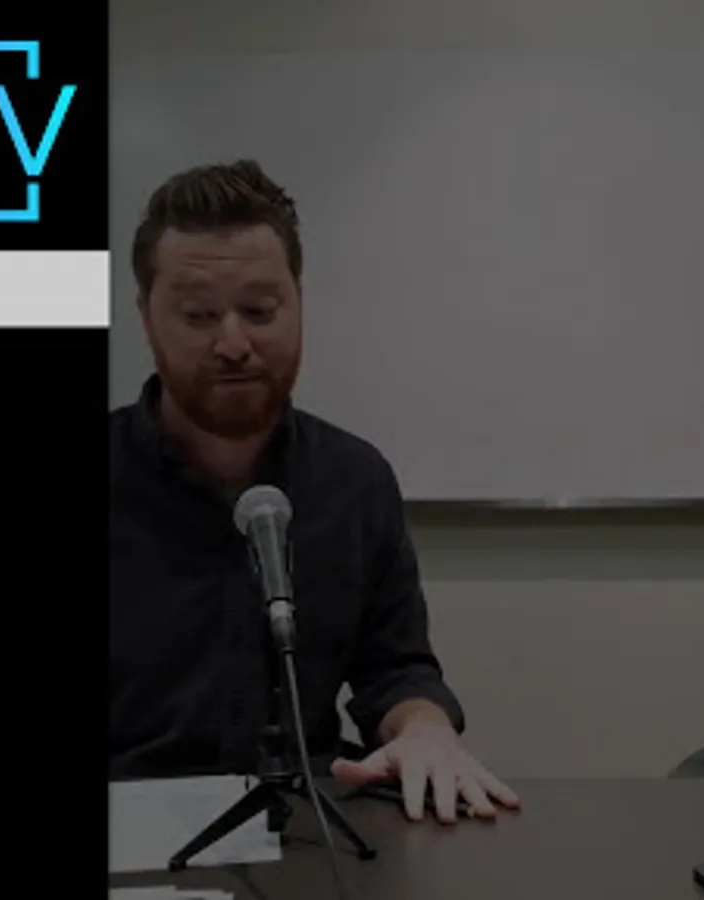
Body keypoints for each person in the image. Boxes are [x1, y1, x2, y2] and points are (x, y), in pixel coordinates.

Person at [110, 160, 518, 823]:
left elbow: (396, 671)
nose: (233, 343)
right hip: (127, 830)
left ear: (298, 303)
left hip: (308, 826)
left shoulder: (354, 480)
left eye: (260, 311)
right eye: (199, 315)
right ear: (146, 316)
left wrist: (424, 729)